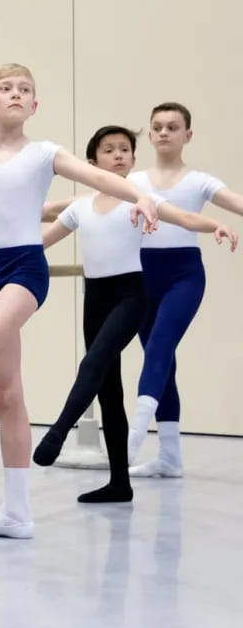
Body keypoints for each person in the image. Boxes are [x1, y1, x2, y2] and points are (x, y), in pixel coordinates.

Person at [0, 63, 159, 540]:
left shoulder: (44, 153)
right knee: (6, 393)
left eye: (25, 90)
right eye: (5, 88)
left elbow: (100, 179)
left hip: (25, 268)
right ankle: (16, 513)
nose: (15, 94)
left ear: (34, 105)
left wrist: (139, 197)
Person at [34, 124, 235, 502]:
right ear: (91, 162)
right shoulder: (80, 207)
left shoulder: (141, 199)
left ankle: (58, 430)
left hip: (130, 295)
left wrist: (216, 225)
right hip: (94, 297)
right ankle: (119, 484)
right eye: (109, 150)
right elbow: (40, 243)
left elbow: (185, 218)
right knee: (109, 390)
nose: (119, 155)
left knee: (92, 363)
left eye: (125, 150)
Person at [125, 102, 243, 477]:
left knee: (159, 347)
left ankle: (130, 440)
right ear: (149, 133)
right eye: (157, 127)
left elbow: (237, 203)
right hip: (141, 274)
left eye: (172, 127)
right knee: (164, 362)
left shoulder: (200, 181)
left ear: (187, 135)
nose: (163, 133)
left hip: (183, 275)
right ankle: (170, 458)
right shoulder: (133, 182)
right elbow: (90, 203)